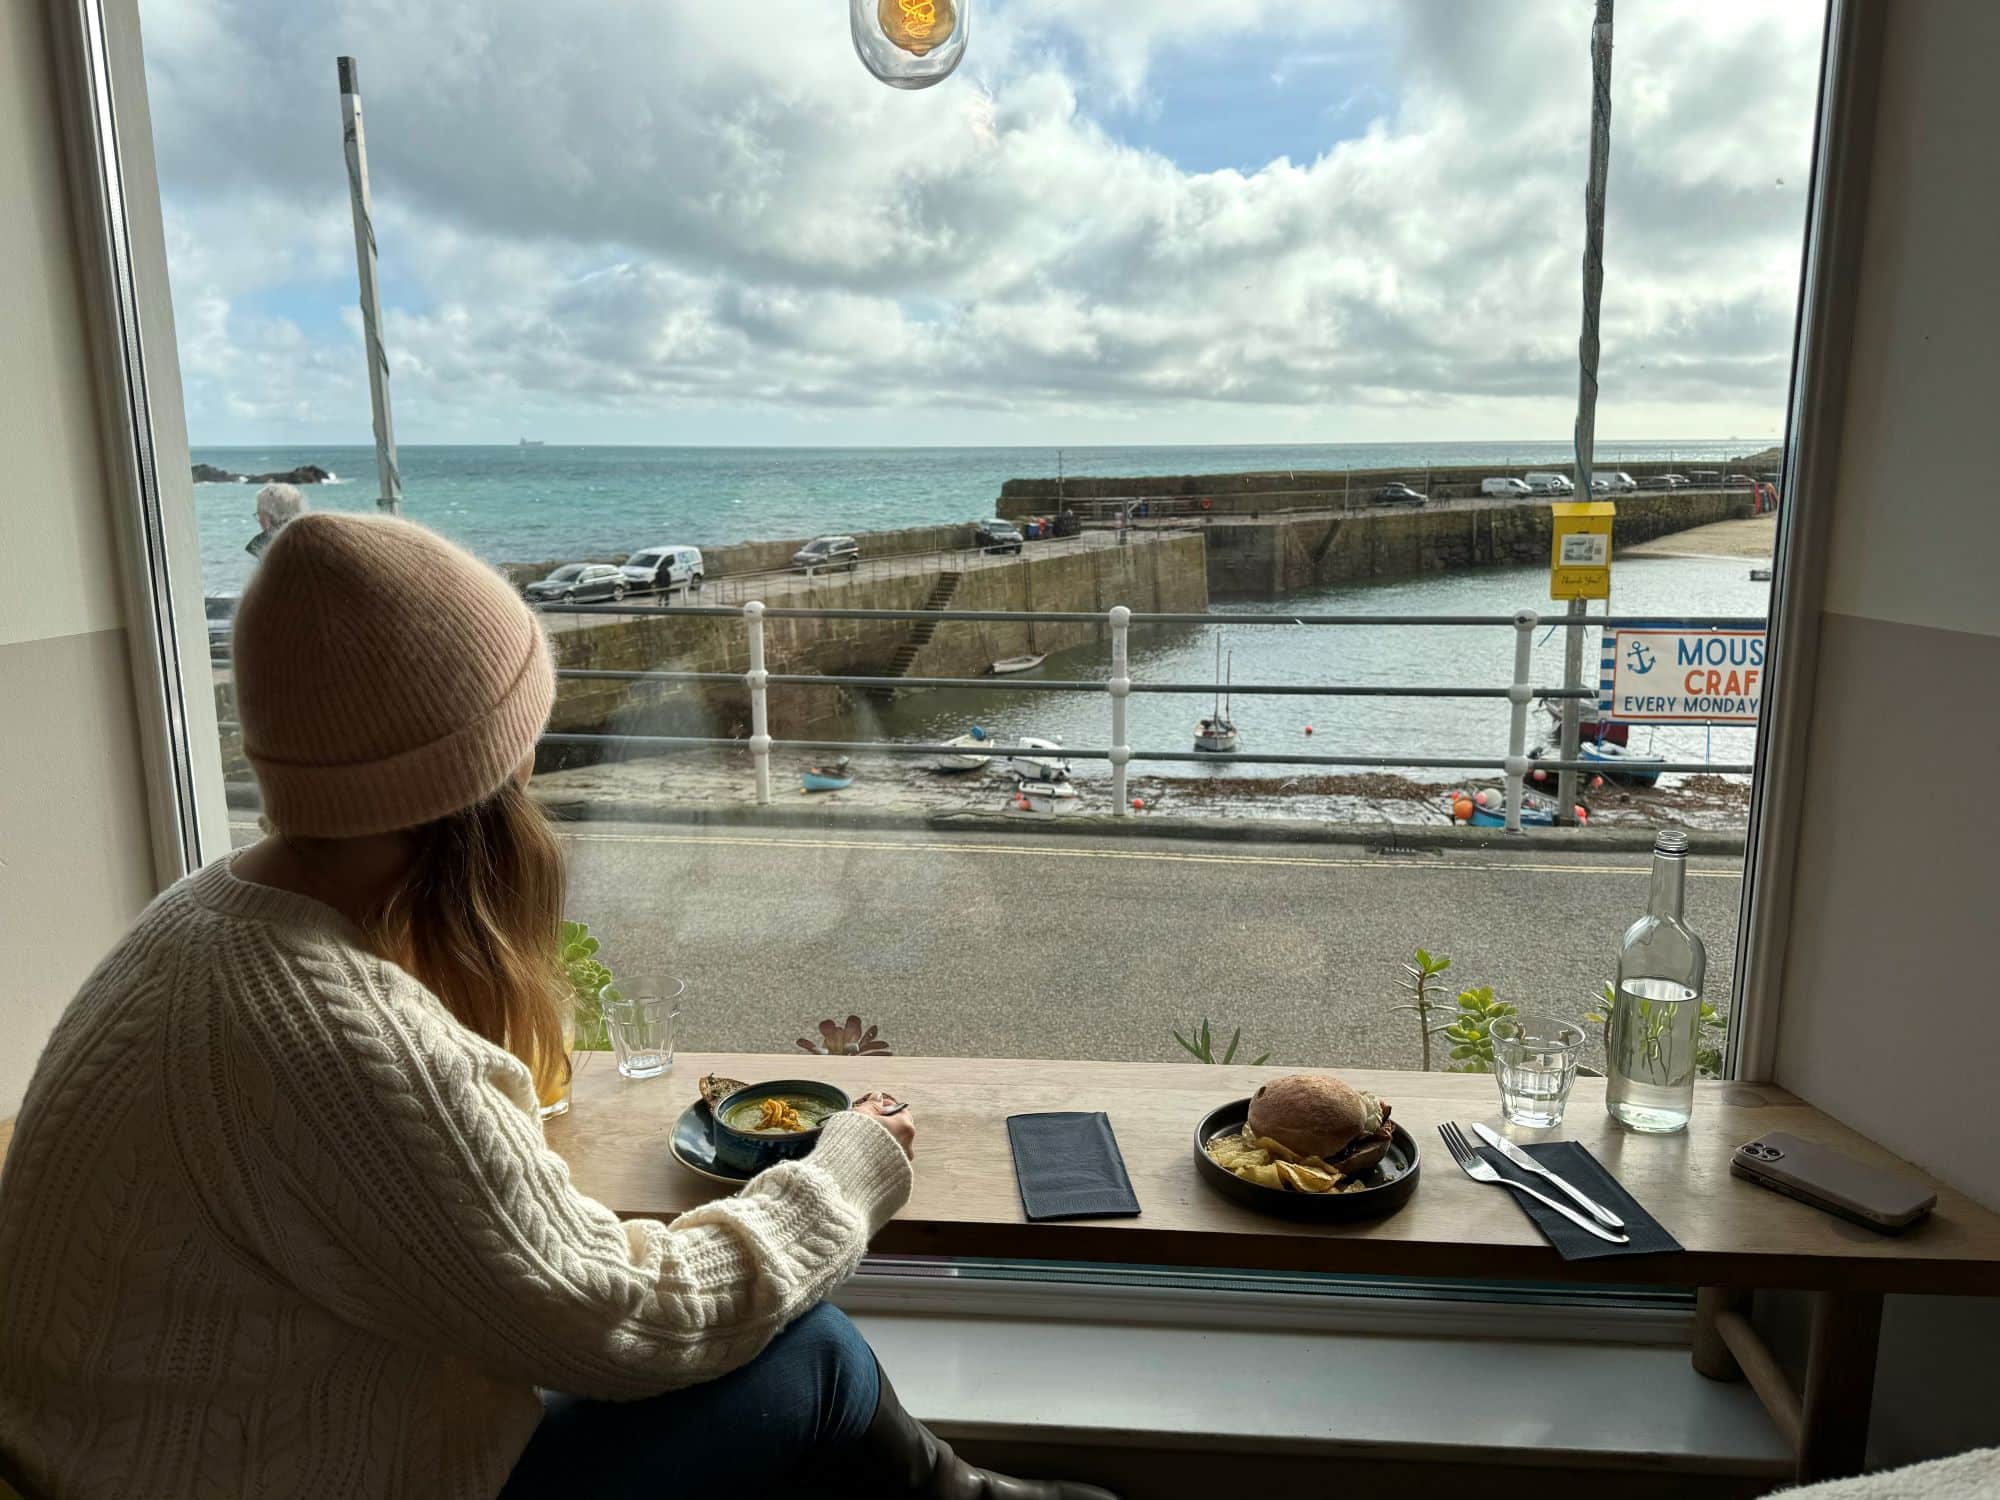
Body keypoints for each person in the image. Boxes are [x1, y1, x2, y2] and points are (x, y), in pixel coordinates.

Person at [0, 513, 1113, 1500]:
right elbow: (635, 1322)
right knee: (809, 1355)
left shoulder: (196, 922)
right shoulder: (341, 1036)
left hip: (116, 1456)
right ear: (480, 782)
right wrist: (847, 1169)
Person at [244, 479, 308, 557]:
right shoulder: (310, 536)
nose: (259, 521)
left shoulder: (261, 545)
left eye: (259, 515)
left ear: (268, 516)